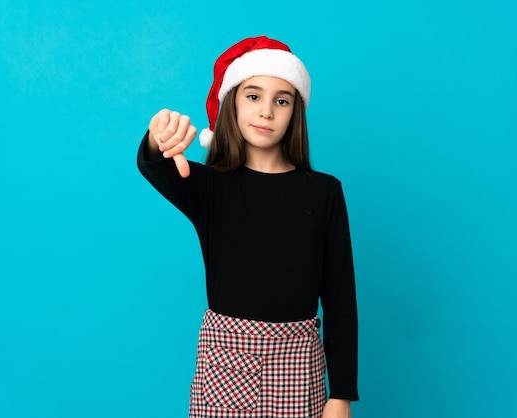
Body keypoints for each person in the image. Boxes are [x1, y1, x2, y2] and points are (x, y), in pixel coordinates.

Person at [137, 36, 358, 418]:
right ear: (232, 104)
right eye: (253, 96)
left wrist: (340, 395)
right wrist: (158, 135)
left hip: (299, 365)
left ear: (295, 112)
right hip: (224, 366)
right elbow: (153, 164)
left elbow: (340, 299)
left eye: (282, 100)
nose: (267, 112)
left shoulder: (325, 192)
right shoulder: (207, 186)